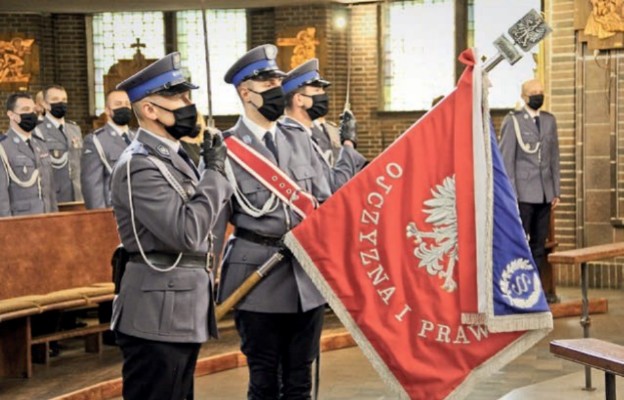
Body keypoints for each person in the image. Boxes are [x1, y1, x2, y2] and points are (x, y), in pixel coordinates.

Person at [111, 52, 233, 400]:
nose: (188, 104)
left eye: (188, 96)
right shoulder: (139, 165)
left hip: (178, 308)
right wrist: (213, 172)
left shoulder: (174, 154)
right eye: (179, 97)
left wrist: (210, 170)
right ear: (149, 110)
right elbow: (187, 232)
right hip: (156, 314)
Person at [217, 44, 331, 400]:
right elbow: (215, 221)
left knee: (300, 379)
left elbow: (325, 201)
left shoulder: (299, 138)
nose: (276, 90)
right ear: (245, 92)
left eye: (278, 82)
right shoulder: (226, 148)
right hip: (257, 275)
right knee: (264, 378)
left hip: (303, 277)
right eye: (267, 83)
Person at [499, 79, 561, 303]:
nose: (538, 96)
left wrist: (556, 190)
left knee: (539, 244)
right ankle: (519, 290)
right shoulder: (513, 121)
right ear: (524, 96)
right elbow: (507, 160)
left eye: (541, 92)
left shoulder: (549, 121)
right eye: (534, 93)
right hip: (523, 195)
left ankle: (536, 291)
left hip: (544, 193)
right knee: (520, 243)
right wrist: (511, 195)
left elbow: (554, 157)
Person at [281, 58, 366, 192]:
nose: (324, 95)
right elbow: (334, 187)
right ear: (299, 99)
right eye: (317, 91)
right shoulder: (293, 139)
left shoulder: (299, 134)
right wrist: (348, 143)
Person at [0, 92, 57, 216]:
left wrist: (55, 219)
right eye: (25, 110)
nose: (31, 114)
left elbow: (50, 190)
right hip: (21, 223)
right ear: (11, 115)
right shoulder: (3, 147)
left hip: (47, 219)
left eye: (32, 109)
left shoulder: (40, 144)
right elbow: (1, 198)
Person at [80, 89, 134, 209]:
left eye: (127, 104)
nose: (124, 107)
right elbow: (92, 185)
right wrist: (99, 219)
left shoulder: (137, 138)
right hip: (116, 212)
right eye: (118, 104)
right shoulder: (96, 140)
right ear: (107, 110)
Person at [35, 84, 83, 203]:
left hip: (77, 195)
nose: (61, 103)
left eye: (64, 100)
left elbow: (79, 162)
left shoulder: (74, 129)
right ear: (45, 104)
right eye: (55, 100)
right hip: (54, 197)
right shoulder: (38, 131)